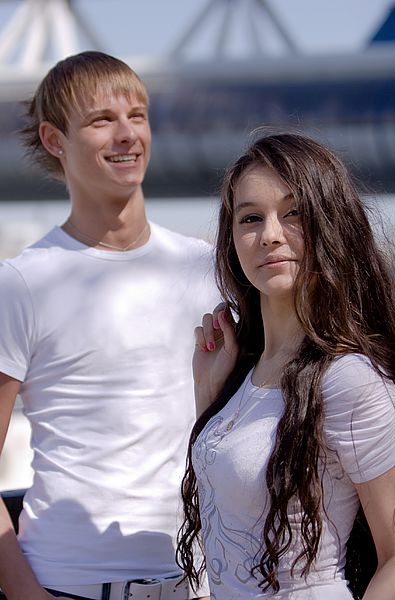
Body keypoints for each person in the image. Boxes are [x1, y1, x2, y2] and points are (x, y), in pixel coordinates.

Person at [0, 51, 219, 600]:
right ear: (55, 140)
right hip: (69, 584)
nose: (127, 135)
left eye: (137, 116)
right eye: (102, 120)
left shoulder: (208, 268)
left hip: (200, 584)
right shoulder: (21, 284)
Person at [176, 132, 395, 599]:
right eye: (251, 218)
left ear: (331, 222)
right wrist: (210, 393)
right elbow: (229, 515)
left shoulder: (349, 380)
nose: (270, 235)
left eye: (293, 212)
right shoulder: (242, 371)